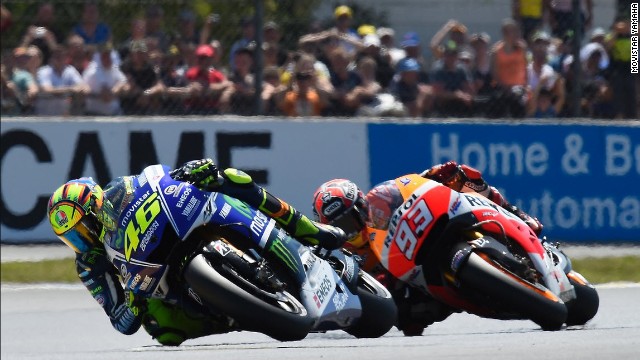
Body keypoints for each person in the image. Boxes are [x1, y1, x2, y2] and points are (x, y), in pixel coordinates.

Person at [47, 159, 346, 346]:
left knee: (228, 177)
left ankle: (308, 230)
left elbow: (155, 181)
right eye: (71, 237)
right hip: (153, 282)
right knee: (162, 330)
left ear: (96, 209)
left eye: (82, 228)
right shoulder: (89, 265)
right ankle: (236, 315)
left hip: (174, 227)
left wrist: (186, 172)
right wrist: (132, 302)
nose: (81, 240)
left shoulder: (119, 191)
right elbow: (121, 322)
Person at [312, 161, 543, 335]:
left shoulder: (381, 203)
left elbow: (412, 187)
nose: (353, 228)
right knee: (407, 321)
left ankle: (517, 216)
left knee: (462, 176)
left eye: (354, 217)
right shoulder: (347, 258)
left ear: (362, 204)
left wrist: (435, 175)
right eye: (343, 226)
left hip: (426, 236)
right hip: (418, 285)